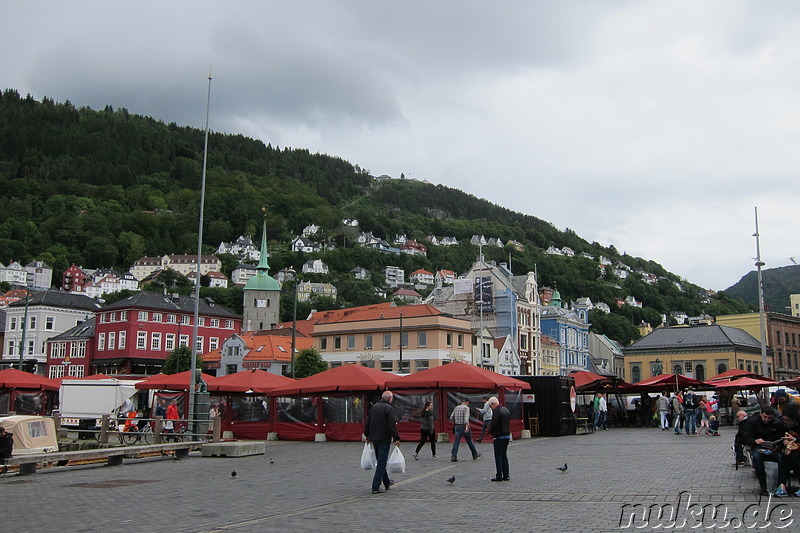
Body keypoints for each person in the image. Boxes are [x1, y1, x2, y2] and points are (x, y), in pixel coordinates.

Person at [741, 405, 786, 495]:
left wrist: (777, 446)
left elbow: (781, 438)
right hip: (758, 447)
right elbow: (746, 437)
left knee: (781, 458)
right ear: (761, 414)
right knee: (757, 458)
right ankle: (763, 486)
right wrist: (755, 441)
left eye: (769, 418)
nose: (766, 419)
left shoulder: (776, 423)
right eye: (765, 417)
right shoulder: (753, 422)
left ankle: (780, 484)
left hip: (772, 448)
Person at [364, 391, 401, 494]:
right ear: (389, 398)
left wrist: (367, 435)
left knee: (381, 461)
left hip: (374, 437)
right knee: (381, 462)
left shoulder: (374, 407)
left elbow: (368, 423)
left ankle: (387, 482)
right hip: (384, 438)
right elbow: (392, 425)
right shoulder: (389, 409)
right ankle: (375, 486)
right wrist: (396, 438)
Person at [775, 402, 800, 497]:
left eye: (788, 420)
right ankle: (782, 486)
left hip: (798, 450)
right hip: (789, 450)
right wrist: (783, 442)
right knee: (785, 457)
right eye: (784, 419)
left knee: (795, 457)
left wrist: (794, 439)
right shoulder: (782, 425)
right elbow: (779, 437)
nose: (786, 422)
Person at [487, 396, 511, 482]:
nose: (491, 408)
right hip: (507, 435)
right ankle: (506, 475)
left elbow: (494, 424)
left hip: (499, 436)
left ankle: (499, 475)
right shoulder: (505, 409)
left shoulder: (497, 411)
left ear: (493, 404)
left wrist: (491, 432)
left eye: (490, 406)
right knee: (504, 455)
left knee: (498, 456)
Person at [450, 398, 480, 462]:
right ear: (467, 402)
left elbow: (451, 417)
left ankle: (453, 456)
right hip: (464, 426)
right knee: (469, 440)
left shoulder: (456, 407)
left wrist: (455, 422)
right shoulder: (466, 408)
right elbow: (466, 418)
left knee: (456, 441)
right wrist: (466, 426)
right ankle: (474, 454)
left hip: (457, 426)